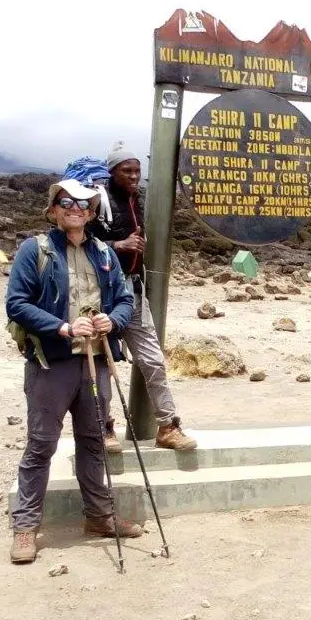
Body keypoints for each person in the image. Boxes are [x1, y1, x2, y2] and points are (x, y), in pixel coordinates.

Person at [4, 178, 144, 563]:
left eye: (83, 203)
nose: (75, 208)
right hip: (52, 364)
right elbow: (17, 304)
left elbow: (123, 299)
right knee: (42, 446)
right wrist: (63, 327)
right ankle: (26, 527)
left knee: (94, 442)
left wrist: (111, 322)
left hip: (97, 362)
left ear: (92, 211)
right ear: (53, 210)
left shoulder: (104, 252)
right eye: (66, 202)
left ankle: (99, 517)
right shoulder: (35, 250)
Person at [86, 140, 197, 453]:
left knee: (152, 359)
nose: (134, 175)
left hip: (133, 290)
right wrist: (119, 245)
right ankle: (104, 428)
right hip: (100, 292)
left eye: (137, 170)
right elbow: (83, 241)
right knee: (100, 361)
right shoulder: (99, 199)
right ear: (112, 172)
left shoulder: (137, 199)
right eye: (127, 170)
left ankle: (167, 426)